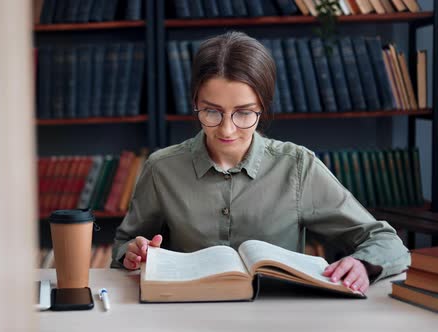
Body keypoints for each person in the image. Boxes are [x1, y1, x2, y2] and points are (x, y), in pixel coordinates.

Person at [111, 31, 410, 293]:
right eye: (211, 111)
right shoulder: (161, 168)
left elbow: (385, 240)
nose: (227, 129)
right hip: (184, 315)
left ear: (263, 108)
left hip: (278, 316)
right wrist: (132, 252)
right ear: (195, 103)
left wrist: (362, 264)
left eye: (244, 113)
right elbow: (123, 247)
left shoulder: (297, 167)